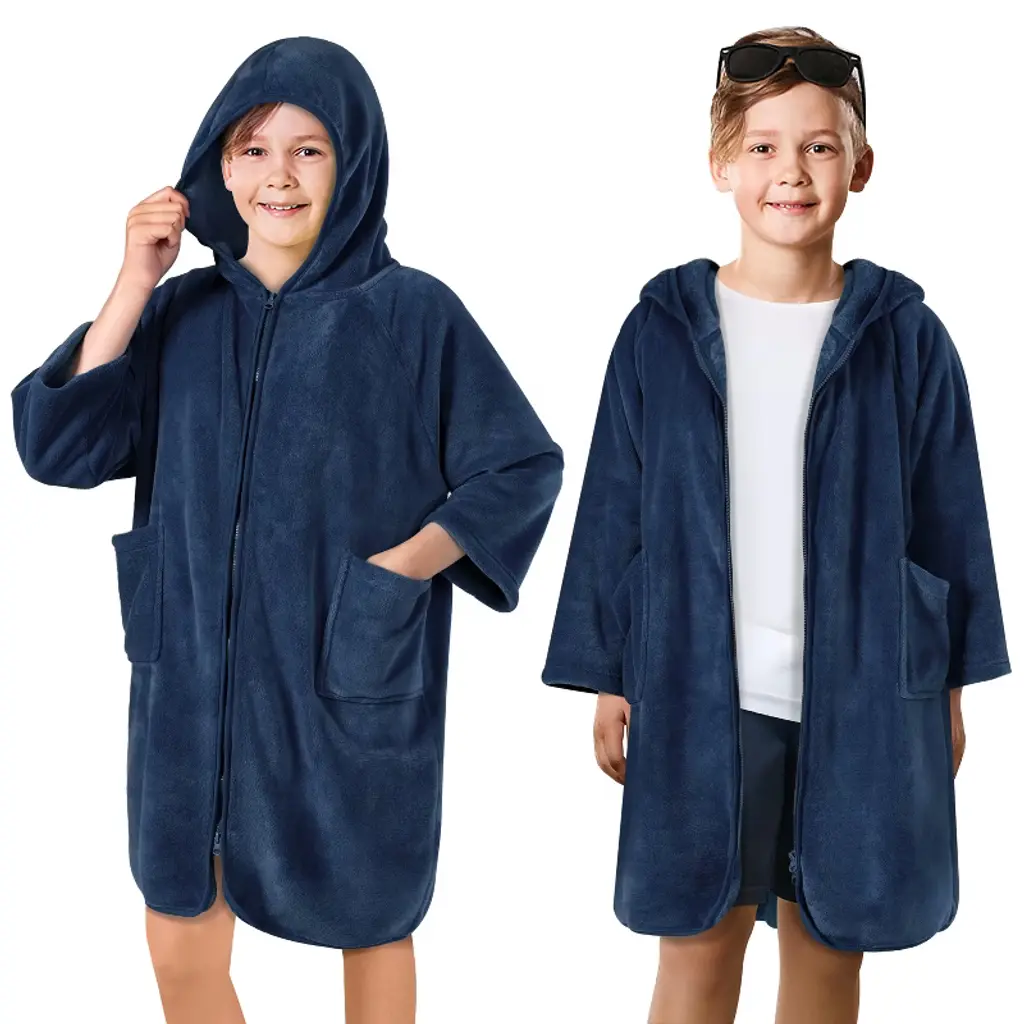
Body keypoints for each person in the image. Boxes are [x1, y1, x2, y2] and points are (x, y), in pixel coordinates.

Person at [11, 35, 563, 1024]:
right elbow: (58, 449)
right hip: (188, 683)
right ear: (220, 169)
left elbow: (520, 464)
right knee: (179, 931)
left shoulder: (411, 313)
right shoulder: (179, 315)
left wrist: (404, 570)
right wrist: (133, 281)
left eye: (310, 149)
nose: (280, 174)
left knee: (372, 917)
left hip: (348, 676)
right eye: (254, 149)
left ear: (352, 164)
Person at [541, 24, 1011, 1024]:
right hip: (701, 690)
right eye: (762, 145)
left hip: (864, 693)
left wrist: (949, 690)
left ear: (861, 165)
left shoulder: (906, 339)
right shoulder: (662, 331)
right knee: (696, 947)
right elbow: (614, 506)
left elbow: (952, 524)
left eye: (819, 145)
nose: (790, 171)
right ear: (720, 164)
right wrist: (608, 673)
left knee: (830, 948)